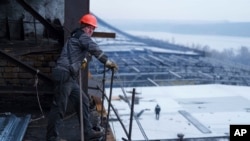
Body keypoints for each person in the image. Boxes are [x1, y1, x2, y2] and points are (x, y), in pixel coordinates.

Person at [46, 13, 118, 141]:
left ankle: (87, 132)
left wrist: (80, 62)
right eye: (88, 27)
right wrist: (107, 62)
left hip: (68, 76)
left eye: (93, 28)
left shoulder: (75, 37)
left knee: (83, 100)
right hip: (64, 74)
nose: (91, 30)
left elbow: (76, 53)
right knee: (59, 107)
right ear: (83, 26)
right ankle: (52, 138)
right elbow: (94, 48)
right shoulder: (82, 37)